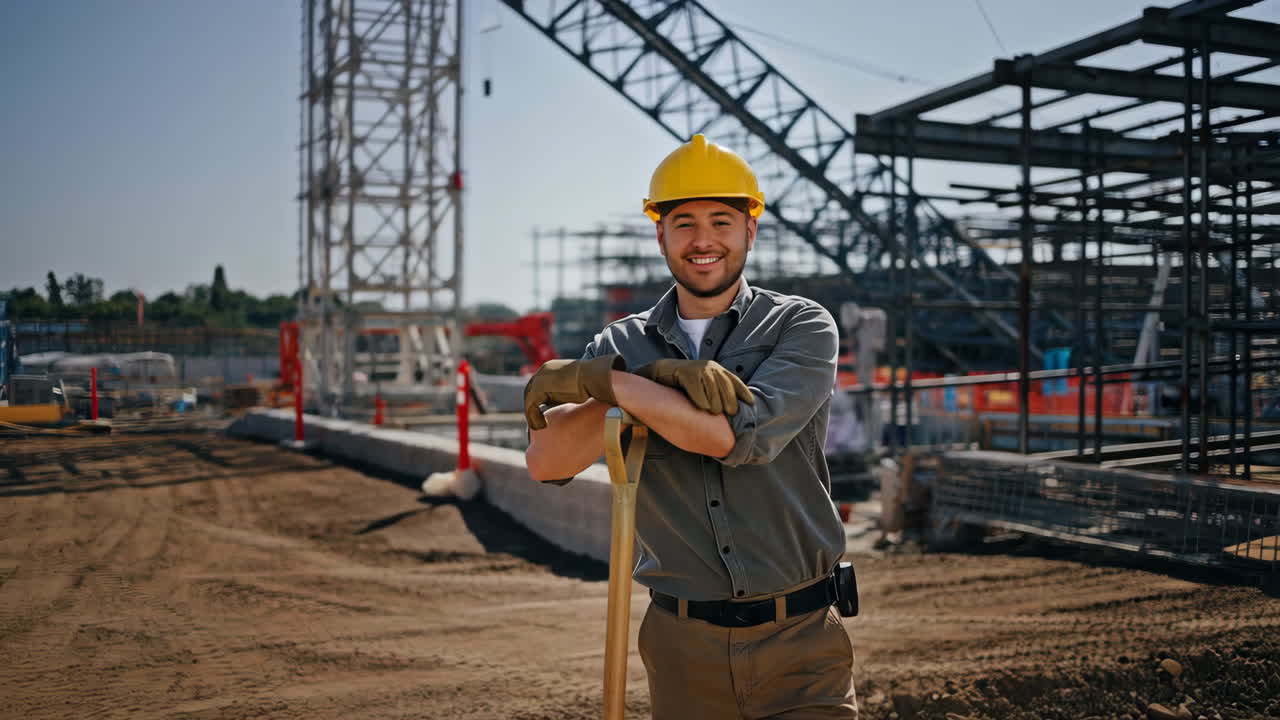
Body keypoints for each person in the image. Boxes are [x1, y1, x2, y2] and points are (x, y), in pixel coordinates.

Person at [524, 134, 857, 719]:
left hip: (801, 642)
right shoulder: (620, 342)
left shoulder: (800, 326)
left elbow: (737, 439)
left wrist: (623, 383)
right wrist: (631, 381)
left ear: (750, 229)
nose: (703, 240)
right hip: (682, 651)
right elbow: (546, 462)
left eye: (721, 222)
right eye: (684, 223)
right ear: (661, 236)